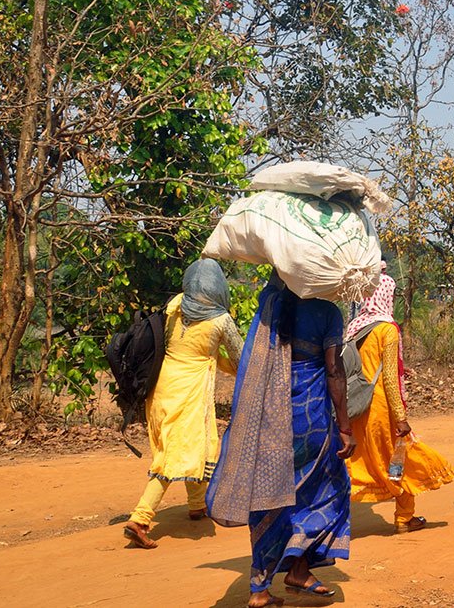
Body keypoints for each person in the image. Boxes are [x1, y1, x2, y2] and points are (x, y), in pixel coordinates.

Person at [208, 275, 354, 606]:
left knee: (269, 498)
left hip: (269, 421)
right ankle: (299, 569)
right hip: (311, 420)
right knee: (326, 490)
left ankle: (260, 586)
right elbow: (334, 371)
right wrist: (345, 425)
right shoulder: (327, 313)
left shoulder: (269, 309)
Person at [123, 260, 243, 549]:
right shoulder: (221, 320)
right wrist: (219, 361)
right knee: (175, 454)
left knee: (187, 445)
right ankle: (140, 518)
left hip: (161, 387)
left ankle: (197, 504)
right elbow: (241, 360)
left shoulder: (174, 306)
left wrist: (210, 359)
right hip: (189, 392)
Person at [345, 275, 454, 533]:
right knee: (399, 460)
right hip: (382, 407)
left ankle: (336, 519)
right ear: (386, 296)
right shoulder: (388, 329)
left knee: (361, 461)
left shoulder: (354, 327)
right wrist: (400, 416)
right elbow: (390, 378)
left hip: (356, 407)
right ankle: (404, 518)